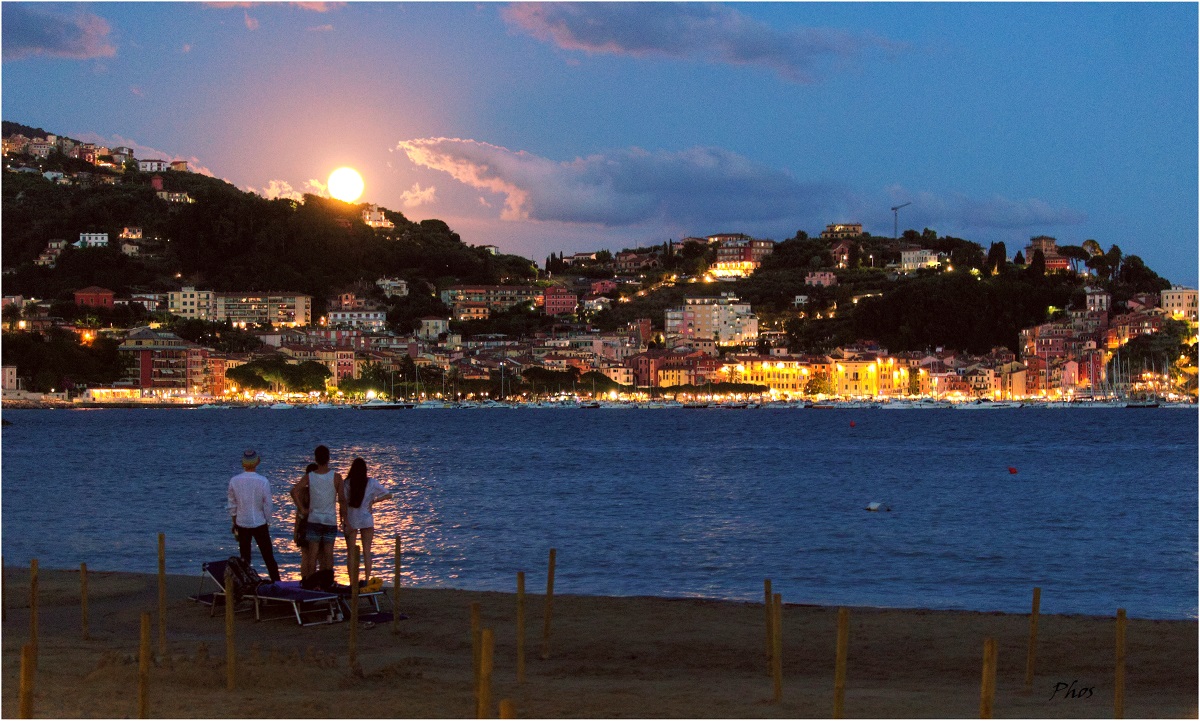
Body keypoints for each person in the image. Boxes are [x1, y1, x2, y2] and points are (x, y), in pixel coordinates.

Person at [226, 448, 281, 582]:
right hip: (259, 522)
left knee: (245, 558)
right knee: (268, 556)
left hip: (242, 521)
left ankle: (246, 582)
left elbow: (232, 504)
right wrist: (267, 520)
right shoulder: (263, 481)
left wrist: (234, 521)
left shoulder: (234, 481)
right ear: (257, 462)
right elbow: (268, 504)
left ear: (243, 463)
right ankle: (277, 583)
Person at [340, 457, 393, 583]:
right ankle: (367, 579)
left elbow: (343, 503)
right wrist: (374, 501)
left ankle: (353, 581)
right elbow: (388, 494)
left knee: (351, 552)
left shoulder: (347, 483)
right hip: (366, 519)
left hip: (351, 519)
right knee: (367, 551)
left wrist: (343, 520)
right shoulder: (371, 482)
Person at [297, 445, 342, 582]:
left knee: (312, 553)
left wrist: (302, 509)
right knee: (328, 554)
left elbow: (294, 491)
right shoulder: (336, 477)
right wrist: (343, 518)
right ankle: (328, 582)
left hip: (314, 519)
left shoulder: (310, 476)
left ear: (316, 459)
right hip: (329, 520)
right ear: (328, 458)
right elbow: (343, 500)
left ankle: (310, 581)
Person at [290, 463, 318, 579]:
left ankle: (305, 579)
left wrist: (295, 531)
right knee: (314, 555)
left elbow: (299, 514)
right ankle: (312, 579)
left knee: (305, 555)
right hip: (315, 524)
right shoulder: (318, 492)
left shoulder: (302, 492)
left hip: (303, 524)